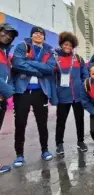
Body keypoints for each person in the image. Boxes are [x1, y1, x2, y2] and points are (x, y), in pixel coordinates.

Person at [12, 26, 57, 167]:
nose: (38, 35)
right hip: (22, 91)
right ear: (31, 36)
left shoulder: (49, 51)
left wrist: (29, 62)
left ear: (44, 37)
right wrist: (38, 71)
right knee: (20, 123)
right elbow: (17, 63)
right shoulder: (22, 46)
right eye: (35, 33)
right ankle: (19, 155)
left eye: (41, 34)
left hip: (40, 92)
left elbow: (50, 68)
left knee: (42, 123)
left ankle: (45, 150)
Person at [54, 32, 89, 155]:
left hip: (78, 97)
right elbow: (52, 76)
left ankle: (80, 141)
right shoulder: (55, 58)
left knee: (80, 120)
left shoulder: (78, 59)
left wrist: (84, 85)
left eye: (70, 45)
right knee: (61, 121)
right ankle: (59, 144)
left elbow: (85, 74)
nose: (68, 47)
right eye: (65, 44)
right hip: (63, 96)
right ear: (62, 44)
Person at [0, 23, 18, 173]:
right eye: (4, 33)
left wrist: (9, 89)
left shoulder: (5, 53)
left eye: (10, 36)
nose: (6, 37)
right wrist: (8, 91)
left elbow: (8, 74)